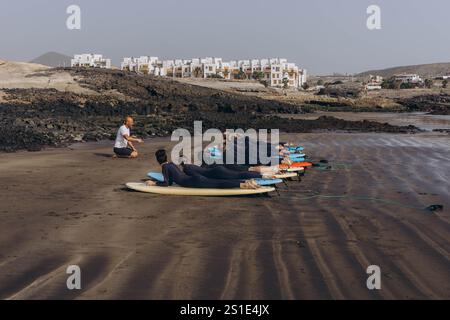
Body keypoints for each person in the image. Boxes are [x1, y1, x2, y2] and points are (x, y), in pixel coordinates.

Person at [146, 150, 260, 189]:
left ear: (158, 160)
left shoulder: (165, 167)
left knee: (219, 184)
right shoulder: (171, 164)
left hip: (192, 182)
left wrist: (154, 183)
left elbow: (166, 183)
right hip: (194, 178)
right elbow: (170, 181)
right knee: (218, 183)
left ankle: (245, 184)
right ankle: (246, 182)